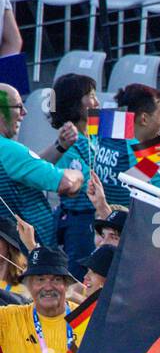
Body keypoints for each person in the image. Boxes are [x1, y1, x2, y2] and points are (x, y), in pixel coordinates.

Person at [0, 85, 82, 250]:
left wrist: (60, 146)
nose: (24, 112)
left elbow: (28, 171)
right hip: (27, 256)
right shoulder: (8, 150)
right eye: (18, 106)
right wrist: (77, 175)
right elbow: (66, 183)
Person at [90, 84, 160, 207]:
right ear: (144, 119)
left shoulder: (104, 134)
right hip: (126, 222)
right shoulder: (140, 155)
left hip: (103, 217)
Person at [44, 74, 98, 277]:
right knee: (79, 278)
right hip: (80, 223)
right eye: (91, 96)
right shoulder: (68, 144)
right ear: (75, 102)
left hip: (94, 218)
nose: (97, 102)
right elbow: (84, 185)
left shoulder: (93, 137)